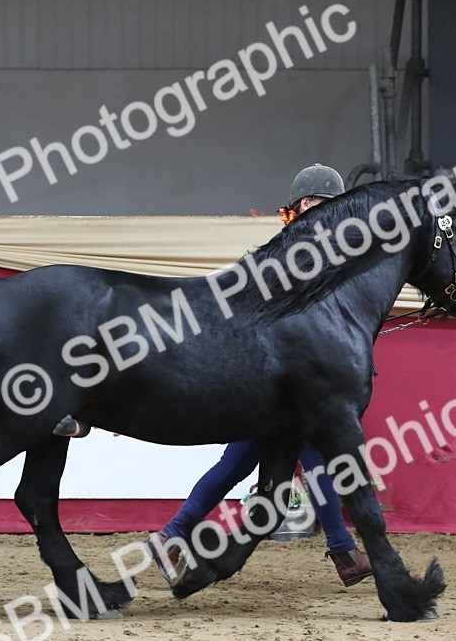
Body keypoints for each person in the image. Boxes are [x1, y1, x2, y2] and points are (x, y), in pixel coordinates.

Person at [146, 164, 372, 589]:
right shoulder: (304, 247)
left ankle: (171, 534)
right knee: (316, 462)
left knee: (237, 462)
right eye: (328, 203)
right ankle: (344, 552)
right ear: (307, 204)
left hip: (271, 382)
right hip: (289, 381)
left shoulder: (306, 246)